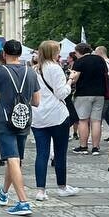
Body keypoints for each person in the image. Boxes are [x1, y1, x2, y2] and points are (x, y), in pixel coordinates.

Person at [0, 39, 41, 215]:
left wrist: (0, 98)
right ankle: (4, 192)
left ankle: (23, 202)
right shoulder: (30, 72)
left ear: (4, 54)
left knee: (12, 158)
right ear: (20, 53)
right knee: (15, 158)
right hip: (24, 118)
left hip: (6, 120)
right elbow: (37, 101)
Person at [31, 40, 80, 201]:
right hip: (57, 116)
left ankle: (40, 190)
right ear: (53, 53)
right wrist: (70, 80)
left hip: (38, 116)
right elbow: (61, 93)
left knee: (41, 153)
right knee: (60, 153)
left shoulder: (34, 70)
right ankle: (62, 186)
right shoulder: (55, 68)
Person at [70, 43, 109, 156]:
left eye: (76, 53)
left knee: (83, 120)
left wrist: (70, 77)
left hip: (83, 94)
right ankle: (96, 147)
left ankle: (83, 146)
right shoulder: (100, 60)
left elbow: (75, 79)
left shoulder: (79, 62)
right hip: (100, 93)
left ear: (79, 52)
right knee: (96, 121)